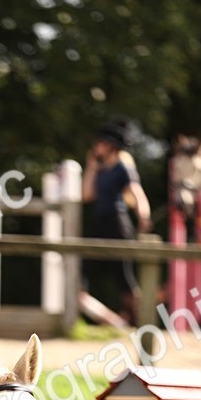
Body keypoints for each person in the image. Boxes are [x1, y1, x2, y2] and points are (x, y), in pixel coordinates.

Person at [81, 118, 152, 326]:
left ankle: (139, 320)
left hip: (118, 224)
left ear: (110, 146)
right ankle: (111, 319)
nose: (96, 146)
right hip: (100, 223)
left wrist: (143, 217)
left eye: (100, 142)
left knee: (123, 277)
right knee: (81, 269)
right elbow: (86, 196)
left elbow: (137, 194)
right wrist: (91, 167)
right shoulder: (101, 169)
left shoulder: (123, 168)